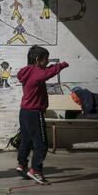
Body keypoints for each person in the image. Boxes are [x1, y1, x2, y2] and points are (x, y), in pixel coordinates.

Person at [16, 45, 69, 184]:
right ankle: (36, 170)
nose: (47, 62)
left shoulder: (27, 71)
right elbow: (46, 74)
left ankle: (22, 165)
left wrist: (49, 66)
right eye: (45, 60)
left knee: (26, 141)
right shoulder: (37, 72)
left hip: (24, 112)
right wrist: (61, 65)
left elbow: (43, 72)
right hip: (34, 113)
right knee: (42, 145)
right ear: (38, 59)